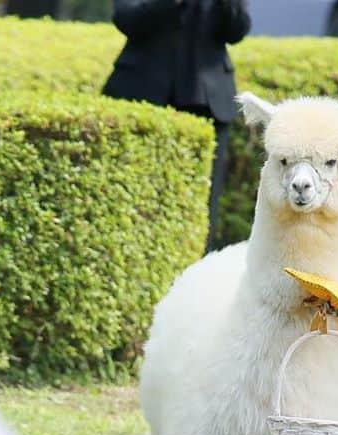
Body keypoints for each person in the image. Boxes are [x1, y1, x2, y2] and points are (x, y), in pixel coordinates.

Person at [103, 0, 251, 251]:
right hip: (142, 97)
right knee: (136, 201)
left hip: (207, 102)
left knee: (203, 208)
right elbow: (127, 19)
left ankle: (197, 277)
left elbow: (237, 29)